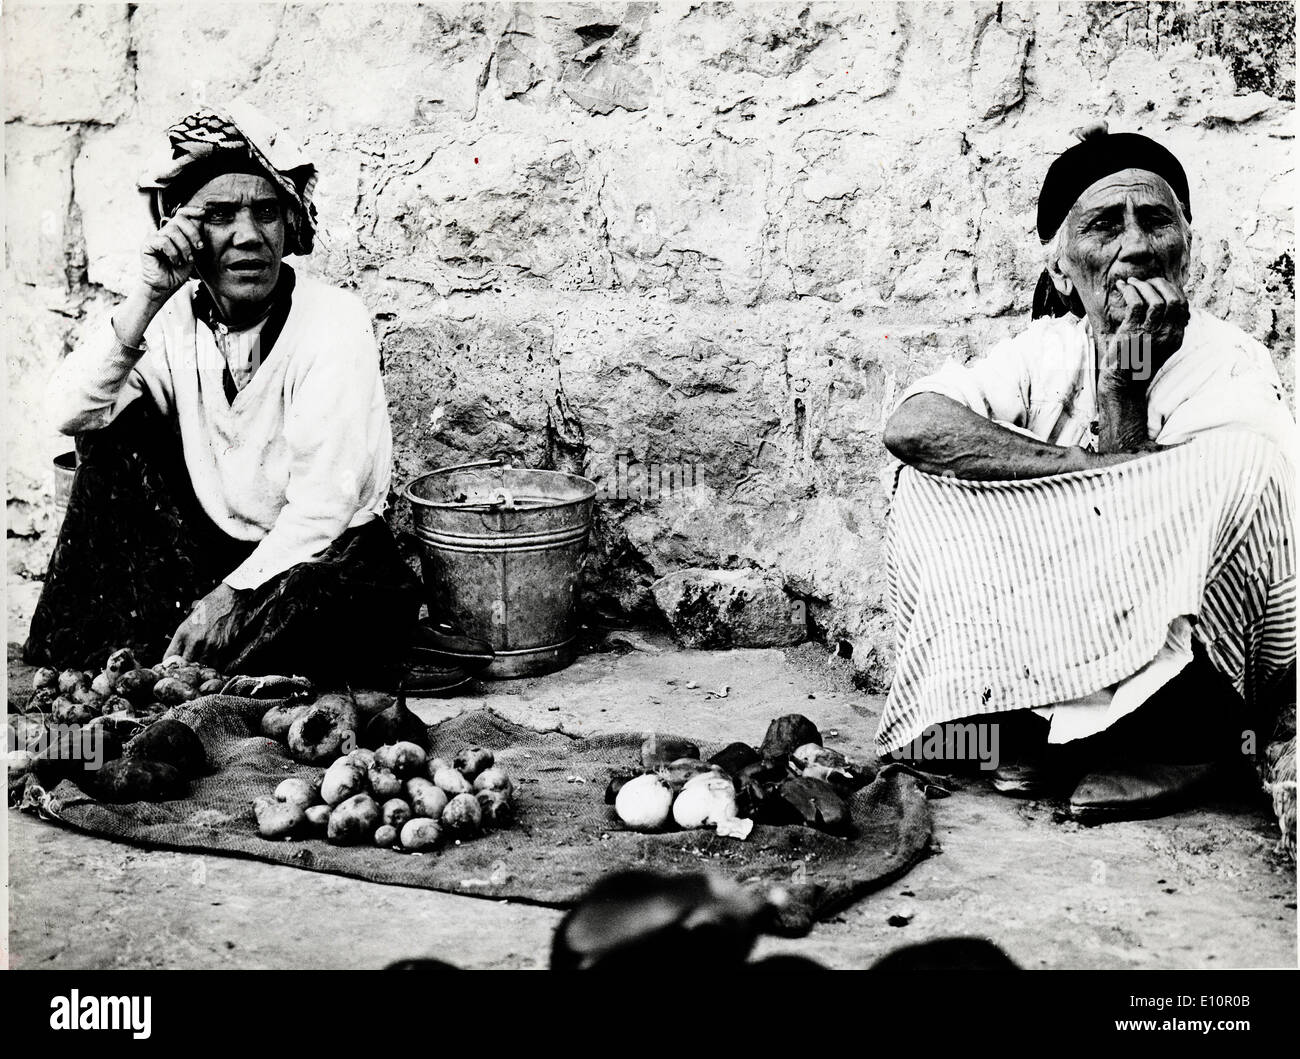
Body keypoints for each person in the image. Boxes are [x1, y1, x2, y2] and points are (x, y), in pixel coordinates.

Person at [880, 124, 1295, 822]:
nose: (1136, 244)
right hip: (1057, 626)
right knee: (927, 478)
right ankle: (1034, 730)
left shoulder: (1231, 360)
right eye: (1106, 225)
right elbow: (911, 423)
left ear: (1186, 245)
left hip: (1179, 659)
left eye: (1155, 220)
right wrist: (1074, 469)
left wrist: (1125, 383)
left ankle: (1183, 743)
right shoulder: (1044, 351)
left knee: (1246, 465)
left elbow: (1162, 519)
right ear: (1061, 267)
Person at [24, 102, 483, 690]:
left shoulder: (334, 322)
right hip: (213, 556)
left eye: (266, 212)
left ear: (289, 228)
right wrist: (145, 296)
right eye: (219, 216)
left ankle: (206, 662)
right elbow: (70, 414)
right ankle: (203, 664)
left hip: (314, 559)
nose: (248, 236)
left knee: (335, 600)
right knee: (112, 439)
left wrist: (230, 599)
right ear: (185, 236)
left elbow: (324, 509)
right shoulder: (169, 324)